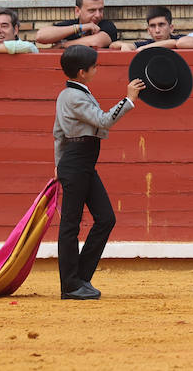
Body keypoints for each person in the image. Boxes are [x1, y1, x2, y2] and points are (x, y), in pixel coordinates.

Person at [54, 44, 143, 300]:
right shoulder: (74, 96)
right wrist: (129, 100)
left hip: (80, 162)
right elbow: (103, 120)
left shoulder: (72, 93)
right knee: (70, 224)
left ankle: (80, 278)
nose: (97, 69)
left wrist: (58, 163)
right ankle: (70, 286)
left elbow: (58, 134)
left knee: (105, 218)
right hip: (77, 162)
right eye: (94, 66)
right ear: (82, 72)